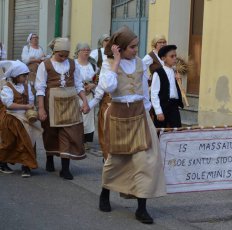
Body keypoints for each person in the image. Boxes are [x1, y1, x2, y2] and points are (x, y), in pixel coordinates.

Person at [97, 26, 166, 224]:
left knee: (144, 161)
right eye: (132, 47)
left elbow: (144, 89)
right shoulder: (109, 63)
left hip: (138, 114)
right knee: (116, 160)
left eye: (137, 46)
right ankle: (105, 192)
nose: (136, 50)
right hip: (119, 114)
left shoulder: (139, 64)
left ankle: (141, 208)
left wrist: (148, 111)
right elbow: (108, 87)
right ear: (120, 48)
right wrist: (116, 61)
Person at [35, 37, 90, 180]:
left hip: (70, 102)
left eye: (66, 55)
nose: (64, 58)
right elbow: (40, 88)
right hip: (51, 102)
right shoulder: (45, 65)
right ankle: (50, 157)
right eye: (61, 55)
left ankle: (65, 168)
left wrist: (85, 101)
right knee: (50, 132)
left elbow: (78, 84)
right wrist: (41, 108)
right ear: (54, 51)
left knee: (70, 132)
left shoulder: (72, 64)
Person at [0, 60, 41, 177]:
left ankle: (26, 165)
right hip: (11, 117)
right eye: (23, 76)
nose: (26, 78)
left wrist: (31, 110)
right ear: (16, 76)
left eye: (26, 75)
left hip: (24, 118)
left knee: (28, 141)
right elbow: (9, 104)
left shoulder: (26, 87)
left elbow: (30, 102)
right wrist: (25, 106)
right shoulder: (7, 88)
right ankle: (2, 162)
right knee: (9, 143)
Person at [90, 34, 112, 160]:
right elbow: (90, 66)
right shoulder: (96, 53)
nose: (108, 42)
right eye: (106, 40)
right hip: (99, 86)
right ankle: (107, 154)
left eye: (110, 40)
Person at [151, 45, 183, 128]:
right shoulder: (158, 73)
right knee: (161, 131)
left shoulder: (175, 71)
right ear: (163, 58)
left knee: (176, 129)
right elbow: (154, 93)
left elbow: (175, 89)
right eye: (172, 56)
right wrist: (158, 111)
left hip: (174, 106)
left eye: (175, 56)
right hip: (163, 105)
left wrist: (179, 81)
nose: (175, 58)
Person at [75, 43, 97, 151]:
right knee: (77, 116)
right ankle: (76, 140)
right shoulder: (73, 64)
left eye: (88, 50)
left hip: (89, 94)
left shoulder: (92, 65)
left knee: (88, 118)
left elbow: (97, 79)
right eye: (84, 50)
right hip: (76, 94)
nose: (86, 52)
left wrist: (92, 85)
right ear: (78, 51)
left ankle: (85, 141)